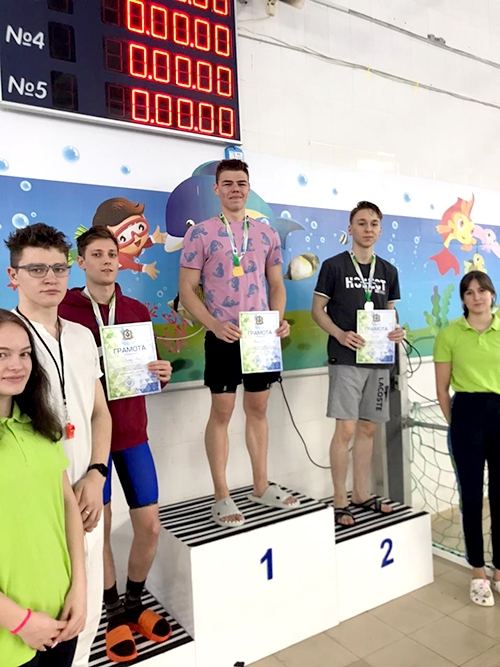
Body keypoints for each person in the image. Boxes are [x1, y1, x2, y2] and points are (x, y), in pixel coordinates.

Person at [59, 227, 173, 662]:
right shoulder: (65, 311)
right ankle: (112, 614)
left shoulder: (136, 309)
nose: (107, 261)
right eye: (97, 254)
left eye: (112, 254)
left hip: (133, 434)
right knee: (98, 529)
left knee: (150, 526)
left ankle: (135, 602)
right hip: (91, 443)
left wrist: (163, 373)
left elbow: (151, 370)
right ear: (81, 262)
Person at [5, 223, 112, 667]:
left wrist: (97, 473)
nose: (50, 277)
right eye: (36, 269)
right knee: (37, 622)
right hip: (37, 504)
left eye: (58, 268)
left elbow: (100, 413)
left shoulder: (83, 335)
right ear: (13, 276)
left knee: (84, 614)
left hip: (88, 493)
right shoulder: (11, 341)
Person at [178, 158, 297, 527]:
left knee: (258, 410)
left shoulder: (266, 233)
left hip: (260, 336)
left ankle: (260, 486)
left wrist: (277, 319)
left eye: (241, 183)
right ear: (216, 189)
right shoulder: (200, 234)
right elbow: (187, 291)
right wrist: (214, 325)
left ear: (248, 188)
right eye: (227, 183)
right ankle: (221, 495)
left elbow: (276, 285)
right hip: (223, 335)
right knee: (223, 412)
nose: (235, 189)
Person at [0, 310, 86, 667]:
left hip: (60, 619)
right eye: (1, 354)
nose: (16, 365)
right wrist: (19, 622)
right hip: (10, 636)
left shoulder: (39, 425)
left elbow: (66, 504)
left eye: (24, 354)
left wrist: (80, 587)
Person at [311, 201, 405, 527]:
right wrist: (340, 334)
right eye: (362, 223)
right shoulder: (334, 266)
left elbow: (390, 313)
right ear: (350, 229)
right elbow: (317, 310)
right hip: (346, 358)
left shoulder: (388, 271)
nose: (368, 229)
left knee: (368, 427)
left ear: (380, 230)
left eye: (374, 223)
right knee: (346, 428)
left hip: (378, 359)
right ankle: (340, 500)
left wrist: (397, 329)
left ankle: (361, 494)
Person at [434, 270, 500, 607]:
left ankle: (499, 570)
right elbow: (442, 389)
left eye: (482, 290)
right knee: (471, 498)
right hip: (467, 417)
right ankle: (478, 571)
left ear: (492, 294)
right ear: (462, 299)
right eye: (470, 292)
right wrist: (458, 423)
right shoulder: (449, 334)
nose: (477, 297)